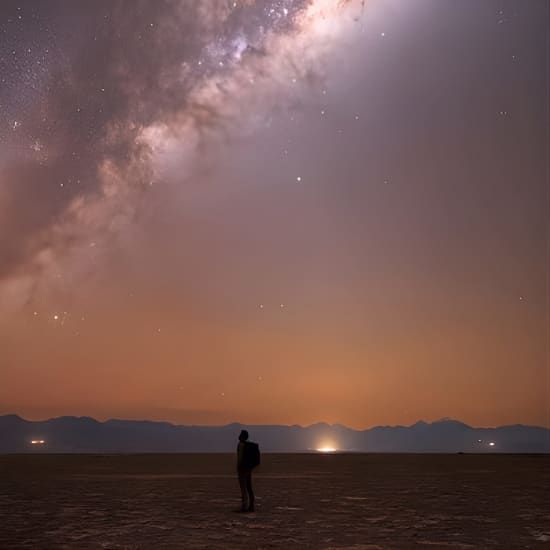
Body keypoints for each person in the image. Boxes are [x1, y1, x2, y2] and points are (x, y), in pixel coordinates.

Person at [237, 429, 258, 512]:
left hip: (243, 469)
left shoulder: (241, 445)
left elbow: (240, 458)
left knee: (243, 488)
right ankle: (251, 506)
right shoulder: (249, 445)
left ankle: (244, 506)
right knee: (249, 487)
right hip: (248, 468)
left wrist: (239, 467)